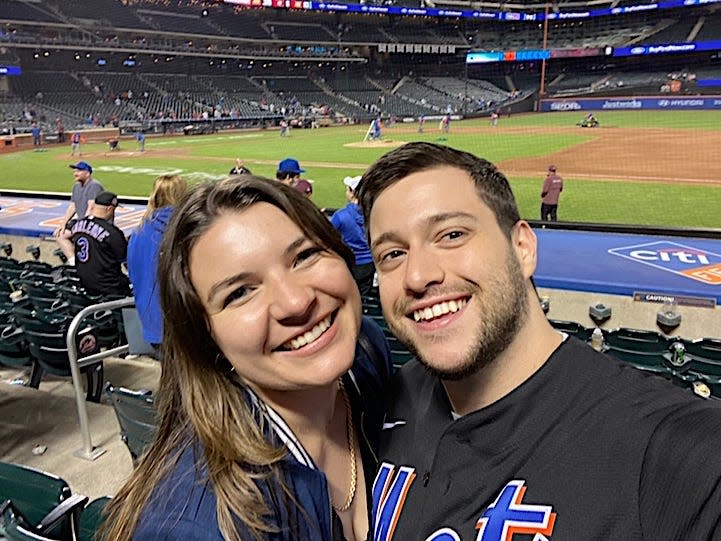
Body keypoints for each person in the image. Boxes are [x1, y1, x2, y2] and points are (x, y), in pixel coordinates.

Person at [357, 142, 721, 541]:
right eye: (392, 254)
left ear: (523, 247)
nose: (417, 275)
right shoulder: (378, 406)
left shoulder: (676, 449)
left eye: (452, 234)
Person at [102, 176, 392, 541]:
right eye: (240, 293)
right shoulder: (197, 527)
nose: (296, 302)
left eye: (304, 256)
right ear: (204, 337)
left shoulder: (364, 348)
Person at [127, 174, 188, 353]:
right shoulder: (184, 229)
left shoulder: (138, 233)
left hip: (151, 324)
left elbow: (134, 274)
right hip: (183, 325)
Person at [58, 191, 130, 297]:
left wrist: (72, 260)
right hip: (110, 288)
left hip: (86, 285)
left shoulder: (77, 224)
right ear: (110, 209)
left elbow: (60, 236)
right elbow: (126, 258)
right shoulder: (112, 232)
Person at [331, 176, 374, 296]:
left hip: (351, 263)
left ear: (352, 193)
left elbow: (327, 235)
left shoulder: (340, 216)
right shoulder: (373, 213)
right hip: (369, 264)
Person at [53, 161, 105, 239]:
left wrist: (82, 226)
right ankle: (72, 251)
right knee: (58, 234)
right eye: (75, 171)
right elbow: (72, 207)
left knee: (78, 236)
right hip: (81, 221)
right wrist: (63, 224)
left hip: (94, 224)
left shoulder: (94, 186)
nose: (75, 174)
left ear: (87, 173)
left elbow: (91, 208)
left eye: (79, 171)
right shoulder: (76, 187)